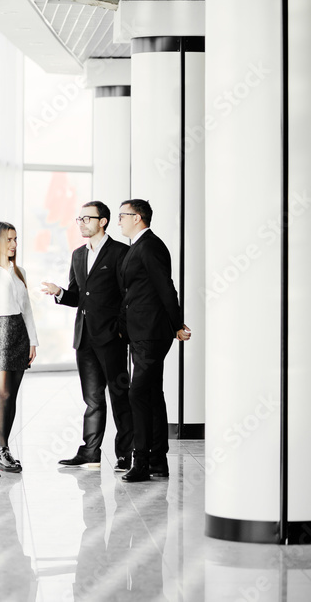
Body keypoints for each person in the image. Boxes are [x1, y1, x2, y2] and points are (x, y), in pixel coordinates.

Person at [41, 201, 134, 472]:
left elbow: (129, 295)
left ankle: (125, 454)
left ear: (102, 221)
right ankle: (91, 453)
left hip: (112, 338)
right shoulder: (78, 255)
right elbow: (77, 296)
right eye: (79, 218)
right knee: (92, 400)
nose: (81, 222)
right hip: (84, 338)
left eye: (86, 218)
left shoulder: (120, 252)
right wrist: (59, 292)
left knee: (119, 397)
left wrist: (120, 328)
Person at [115, 199, 192, 482]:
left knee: (136, 393)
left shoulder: (150, 246)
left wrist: (176, 325)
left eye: (122, 215)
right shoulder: (138, 246)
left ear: (137, 218)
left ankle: (142, 462)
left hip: (152, 333)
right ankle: (158, 460)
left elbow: (166, 287)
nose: (118, 220)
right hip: (141, 332)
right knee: (151, 394)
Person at [0, 222, 38, 473]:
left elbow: (27, 310)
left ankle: (5, 449)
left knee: (12, 396)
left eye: (15, 239)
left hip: (19, 334)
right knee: (5, 394)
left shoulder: (19, 271)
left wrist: (33, 341)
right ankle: (1, 451)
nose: (13, 244)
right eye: (8, 240)